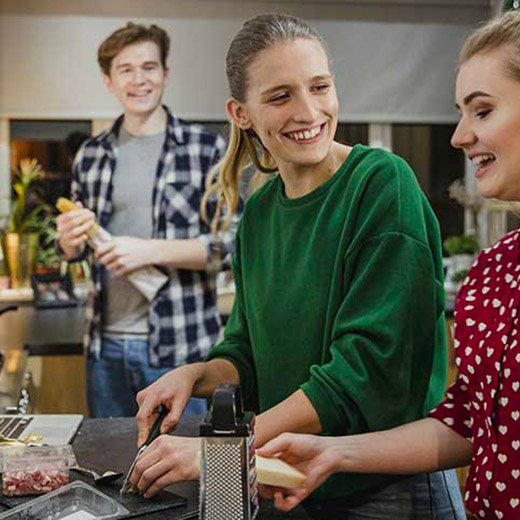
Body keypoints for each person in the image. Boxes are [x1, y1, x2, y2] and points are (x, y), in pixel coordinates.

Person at [131, 13, 465, 519]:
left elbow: (365, 371)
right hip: (296, 484)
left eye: (320, 86)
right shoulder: (260, 216)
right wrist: (195, 374)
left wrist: (226, 449)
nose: (309, 111)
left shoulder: (380, 185)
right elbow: (247, 353)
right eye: (280, 95)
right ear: (240, 113)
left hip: (390, 491)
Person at [257, 10, 520, 519]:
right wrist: (333, 453)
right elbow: (469, 422)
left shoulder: (380, 184)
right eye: (461, 112)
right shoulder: (495, 268)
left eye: (482, 111)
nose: (459, 135)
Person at [56, 23, 236, 418]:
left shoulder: (205, 149)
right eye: (126, 69)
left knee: (187, 472)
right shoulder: (91, 154)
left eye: (149, 67)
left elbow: (232, 247)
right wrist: (69, 242)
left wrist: (148, 251)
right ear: (108, 80)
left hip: (182, 348)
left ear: (165, 75)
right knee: (112, 472)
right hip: (105, 349)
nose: (139, 80)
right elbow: (75, 252)